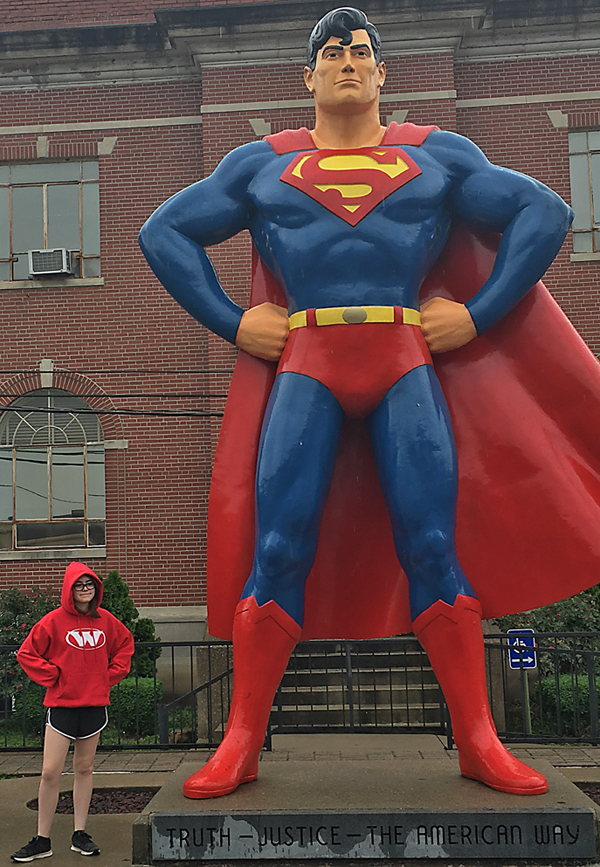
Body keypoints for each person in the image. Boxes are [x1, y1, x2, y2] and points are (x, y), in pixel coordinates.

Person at [138, 7, 577, 800]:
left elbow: (545, 212)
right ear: (306, 77)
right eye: (332, 52)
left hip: (403, 358)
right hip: (308, 362)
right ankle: (240, 741)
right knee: (277, 549)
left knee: (434, 545)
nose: (347, 61)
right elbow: (164, 231)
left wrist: (477, 314)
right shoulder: (259, 166)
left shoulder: (436, 155)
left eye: (362, 52)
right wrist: (234, 322)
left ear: (382, 74)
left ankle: (479, 739)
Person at [11, 562, 134, 862]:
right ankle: (42, 839)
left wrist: (107, 677)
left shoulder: (106, 620)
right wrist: (53, 676)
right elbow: (27, 653)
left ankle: (80, 834)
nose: (84, 590)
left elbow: (125, 646)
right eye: (78, 585)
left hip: (93, 706)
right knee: (50, 771)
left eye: (89, 584)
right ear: (69, 589)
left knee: (84, 769)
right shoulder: (53, 621)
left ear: (96, 589)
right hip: (62, 706)